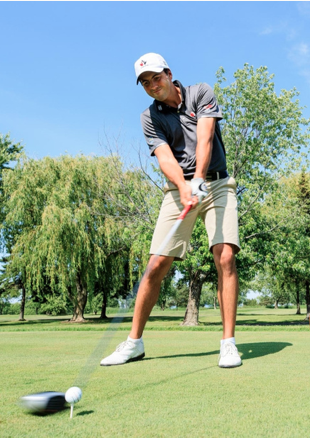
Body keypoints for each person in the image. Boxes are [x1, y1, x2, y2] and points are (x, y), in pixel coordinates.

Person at [101, 53, 242, 368]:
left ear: (168, 73)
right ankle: (134, 343)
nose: (152, 85)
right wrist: (184, 185)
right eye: (145, 83)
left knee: (225, 256)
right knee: (156, 264)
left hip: (217, 184)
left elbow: (205, 137)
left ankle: (228, 344)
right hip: (179, 189)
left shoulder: (200, 92)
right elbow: (165, 158)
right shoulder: (149, 117)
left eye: (156, 77)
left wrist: (200, 179)